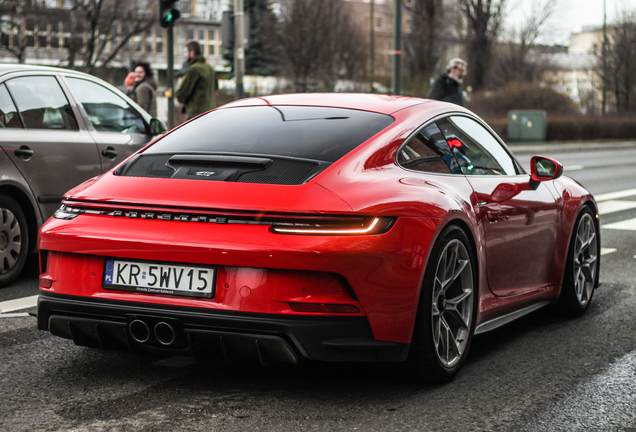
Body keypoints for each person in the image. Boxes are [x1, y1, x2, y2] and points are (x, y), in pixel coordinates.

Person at [176, 40, 217, 119]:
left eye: (186, 52)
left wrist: (181, 83)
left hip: (195, 115)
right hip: (210, 114)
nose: (185, 55)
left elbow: (181, 95)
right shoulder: (210, 69)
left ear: (192, 53)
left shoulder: (193, 69)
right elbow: (215, 90)